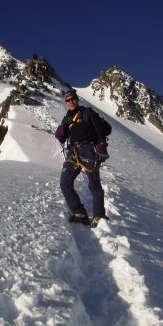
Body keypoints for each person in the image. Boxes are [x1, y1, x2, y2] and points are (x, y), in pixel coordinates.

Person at [55, 89, 109, 227]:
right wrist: (61, 131)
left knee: (94, 184)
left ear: (77, 99)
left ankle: (98, 215)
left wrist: (101, 146)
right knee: (65, 182)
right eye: (68, 100)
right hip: (73, 152)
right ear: (65, 102)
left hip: (88, 150)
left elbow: (100, 130)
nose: (71, 102)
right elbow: (61, 137)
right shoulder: (67, 118)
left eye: (73, 99)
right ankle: (79, 212)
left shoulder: (87, 113)